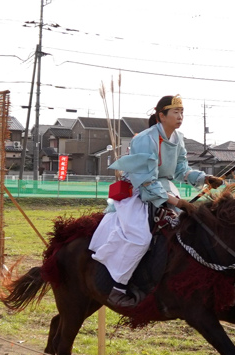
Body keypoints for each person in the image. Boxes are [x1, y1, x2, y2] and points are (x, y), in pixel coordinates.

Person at [90, 95, 223, 309]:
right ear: (161, 115)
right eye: (175, 112)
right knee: (140, 238)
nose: (180, 116)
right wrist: (179, 203)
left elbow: (181, 169)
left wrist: (204, 178)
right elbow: (146, 181)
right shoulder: (145, 139)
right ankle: (118, 287)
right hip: (138, 191)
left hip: (164, 189)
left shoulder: (178, 138)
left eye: (182, 112)